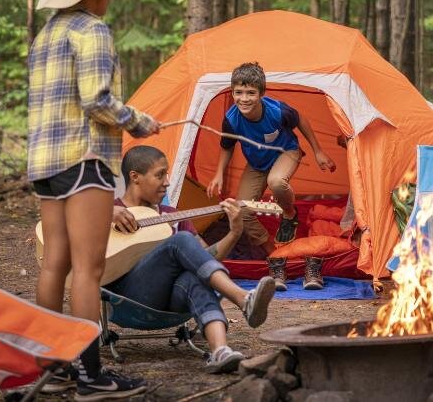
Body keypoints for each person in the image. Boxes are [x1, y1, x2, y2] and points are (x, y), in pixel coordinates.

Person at [28, 0, 159, 400]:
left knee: (55, 264)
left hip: (46, 163)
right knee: (89, 268)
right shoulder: (93, 31)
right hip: (85, 160)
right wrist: (139, 122)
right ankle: (90, 376)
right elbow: (97, 100)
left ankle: (53, 366)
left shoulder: (45, 36)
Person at [108, 145, 276, 373]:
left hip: (171, 299)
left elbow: (204, 259)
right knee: (181, 240)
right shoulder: (107, 211)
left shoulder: (172, 214)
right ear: (135, 177)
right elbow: (70, 232)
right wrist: (105, 212)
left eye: (167, 174)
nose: (167, 182)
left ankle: (220, 351)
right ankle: (242, 298)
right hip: (127, 296)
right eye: (159, 175)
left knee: (193, 277)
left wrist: (234, 233)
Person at [206, 62, 336, 291]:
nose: (243, 99)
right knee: (241, 210)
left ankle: (289, 213)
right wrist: (218, 174)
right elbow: (227, 146)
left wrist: (317, 151)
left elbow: (301, 121)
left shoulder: (277, 111)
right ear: (232, 92)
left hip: (286, 151)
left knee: (276, 182)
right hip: (257, 162)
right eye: (238, 93)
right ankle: (276, 255)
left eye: (250, 93)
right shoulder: (232, 118)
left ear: (261, 94)